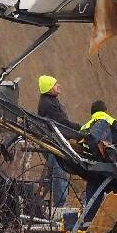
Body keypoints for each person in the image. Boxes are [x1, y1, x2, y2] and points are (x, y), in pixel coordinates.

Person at [37, 75, 78, 207]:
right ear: (49, 88)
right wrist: (79, 129)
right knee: (59, 174)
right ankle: (60, 207)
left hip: (55, 142)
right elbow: (62, 124)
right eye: (55, 84)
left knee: (53, 175)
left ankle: (40, 202)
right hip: (53, 144)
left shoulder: (51, 101)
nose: (58, 86)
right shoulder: (49, 105)